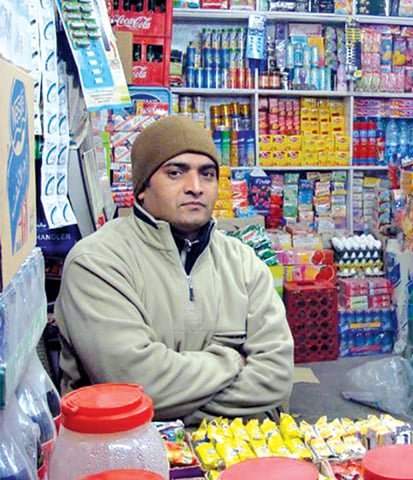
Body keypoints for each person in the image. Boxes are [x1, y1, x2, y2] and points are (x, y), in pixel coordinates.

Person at [55, 116, 294, 423]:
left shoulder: (244, 263)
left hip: (236, 446)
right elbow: (137, 383)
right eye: (176, 173)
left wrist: (174, 404)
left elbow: (275, 377)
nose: (195, 187)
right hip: (129, 446)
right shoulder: (97, 262)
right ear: (142, 188)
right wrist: (233, 361)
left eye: (207, 174)